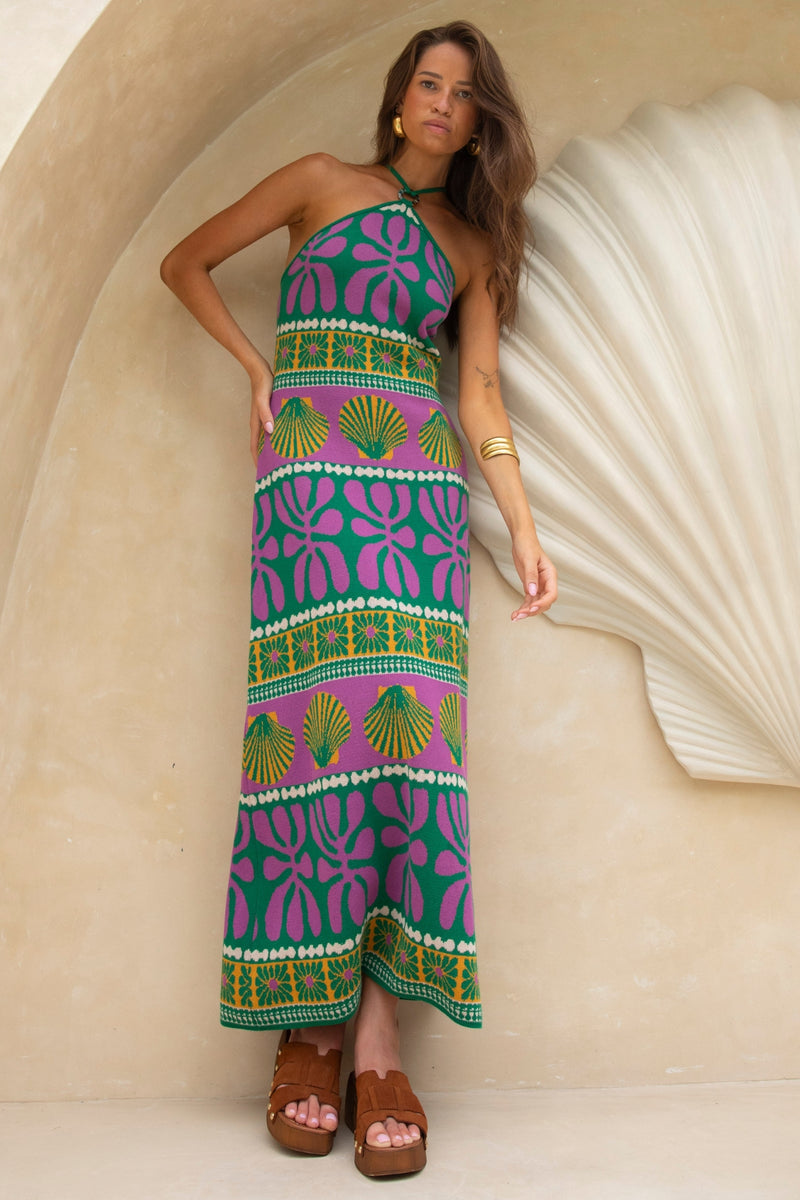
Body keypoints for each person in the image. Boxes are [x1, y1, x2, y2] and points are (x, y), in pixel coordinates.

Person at [160, 18, 556, 1179]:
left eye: (462, 93)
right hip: (309, 493)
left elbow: (477, 393)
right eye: (426, 83)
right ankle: (310, 1029)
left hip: (416, 506)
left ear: (480, 120)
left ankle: (373, 1033)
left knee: (409, 752)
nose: (441, 103)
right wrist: (257, 368)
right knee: (304, 743)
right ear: (397, 101)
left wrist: (525, 531)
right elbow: (182, 261)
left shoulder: (470, 243)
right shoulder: (316, 184)